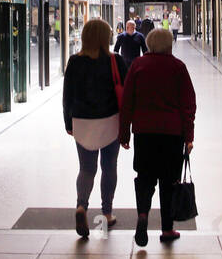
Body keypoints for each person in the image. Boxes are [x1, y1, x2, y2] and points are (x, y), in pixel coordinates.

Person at [119, 28, 196, 246]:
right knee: (169, 181)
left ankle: (143, 215)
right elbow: (188, 105)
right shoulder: (178, 67)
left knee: (145, 178)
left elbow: (127, 103)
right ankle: (167, 228)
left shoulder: (138, 65)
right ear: (170, 45)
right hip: (172, 135)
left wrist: (124, 133)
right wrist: (189, 136)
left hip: (144, 133)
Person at [64, 19, 128, 238]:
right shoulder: (115, 61)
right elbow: (126, 94)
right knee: (109, 167)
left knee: (86, 168)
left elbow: (67, 97)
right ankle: (106, 213)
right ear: (105, 37)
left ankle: (81, 206)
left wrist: (68, 123)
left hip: (82, 122)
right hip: (109, 122)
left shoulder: (74, 61)